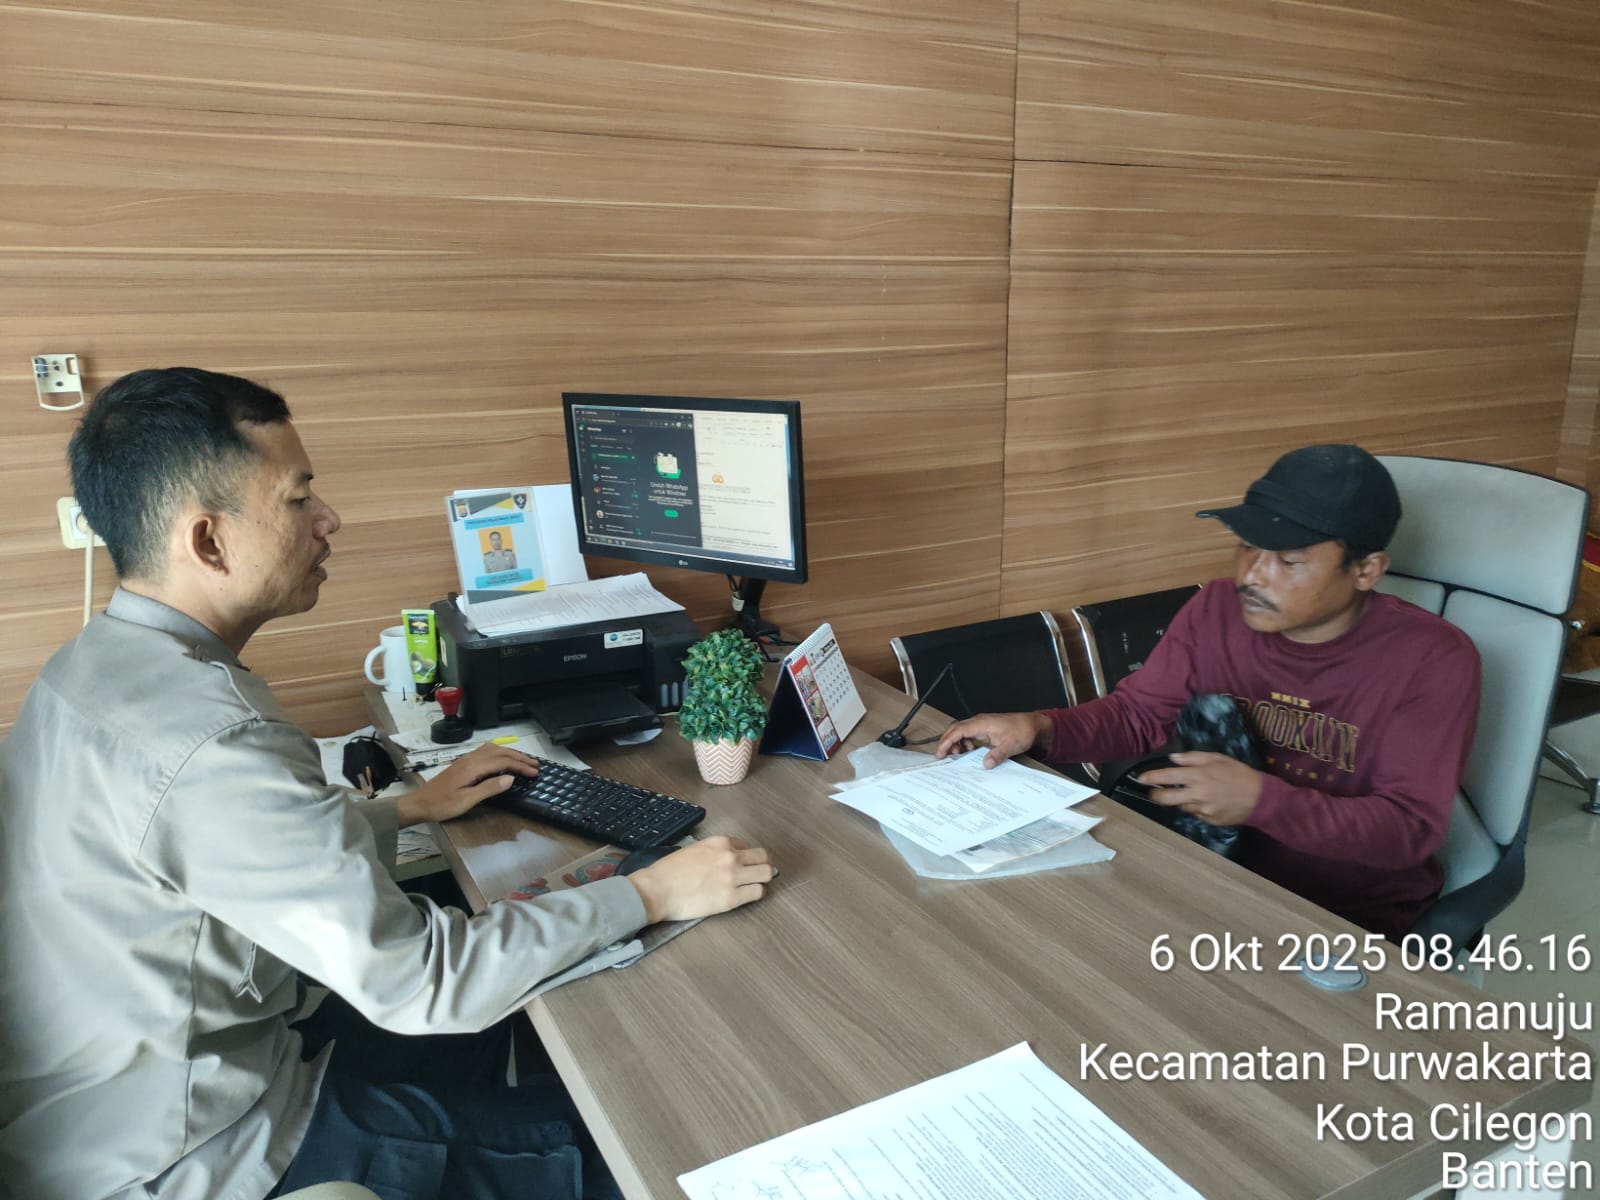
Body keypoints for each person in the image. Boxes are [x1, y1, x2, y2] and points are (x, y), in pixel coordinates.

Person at [0, 368, 774, 1200]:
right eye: (299, 499)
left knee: (519, 1010)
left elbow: (212, 856)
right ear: (209, 542)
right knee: (635, 1144)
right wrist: (653, 894)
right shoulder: (215, 736)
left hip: (103, 1111)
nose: (328, 519)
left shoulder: (91, 669)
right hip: (209, 1155)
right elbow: (423, 983)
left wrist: (406, 808)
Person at [937, 444, 1480, 941]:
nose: (1253, 576)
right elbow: (1138, 716)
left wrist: (1263, 802)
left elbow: (1407, 830)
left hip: (1345, 916)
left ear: (1366, 571)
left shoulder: (1432, 659)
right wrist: (1040, 727)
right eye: (1247, 547)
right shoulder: (1216, 610)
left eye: (1289, 560)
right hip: (1210, 873)